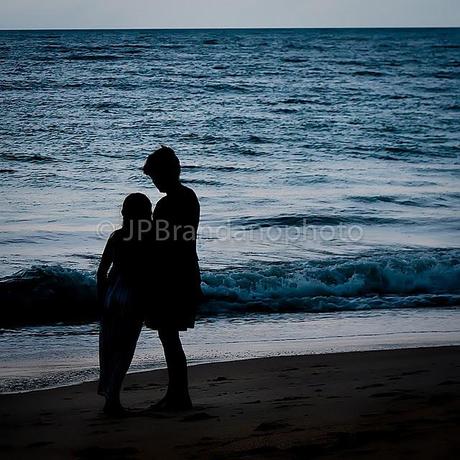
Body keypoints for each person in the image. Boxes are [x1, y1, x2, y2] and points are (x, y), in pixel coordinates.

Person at [143, 145, 203, 411]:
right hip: (183, 271)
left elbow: (166, 241)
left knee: (168, 335)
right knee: (169, 336)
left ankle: (178, 394)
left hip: (173, 275)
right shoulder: (185, 197)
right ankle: (177, 393)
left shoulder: (171, 202)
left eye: (155, 176)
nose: (154, 182)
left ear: (166, 173)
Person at [97, 193, 152, 416]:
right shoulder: (149, 238)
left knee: (108, 347)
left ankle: (110, 396)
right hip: (133, 295)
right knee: (125, 349)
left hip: (112, 293)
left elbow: (101, 271)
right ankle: (113, 400)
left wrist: (101, 297)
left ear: (124, 213)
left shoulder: (116, 237)